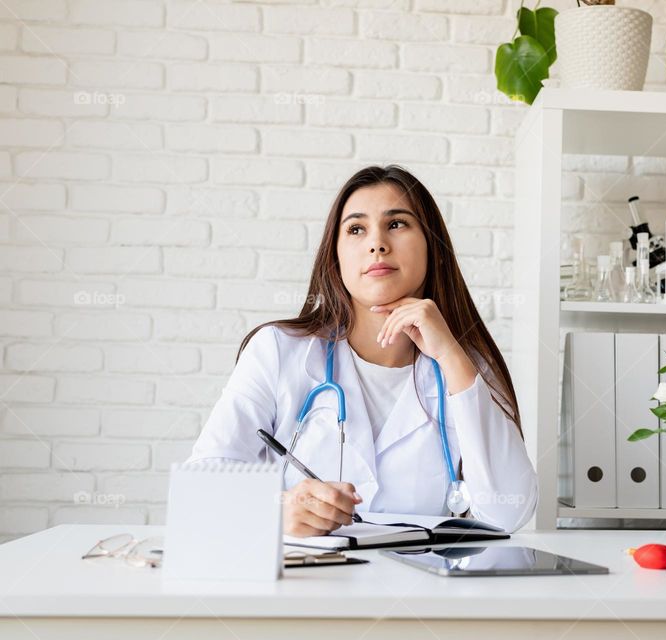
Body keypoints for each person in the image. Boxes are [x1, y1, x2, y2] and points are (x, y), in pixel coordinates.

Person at [186, 165, 538, 537]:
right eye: (356, 229)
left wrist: (450, 354)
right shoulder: (278, 351)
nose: (377, 244)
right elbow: (202, 484)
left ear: (432, 246)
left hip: (421, 590)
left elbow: (507, 514)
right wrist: (276, 512)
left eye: (397, 224)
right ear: (335, 256)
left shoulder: (465, 366)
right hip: (308, 586)